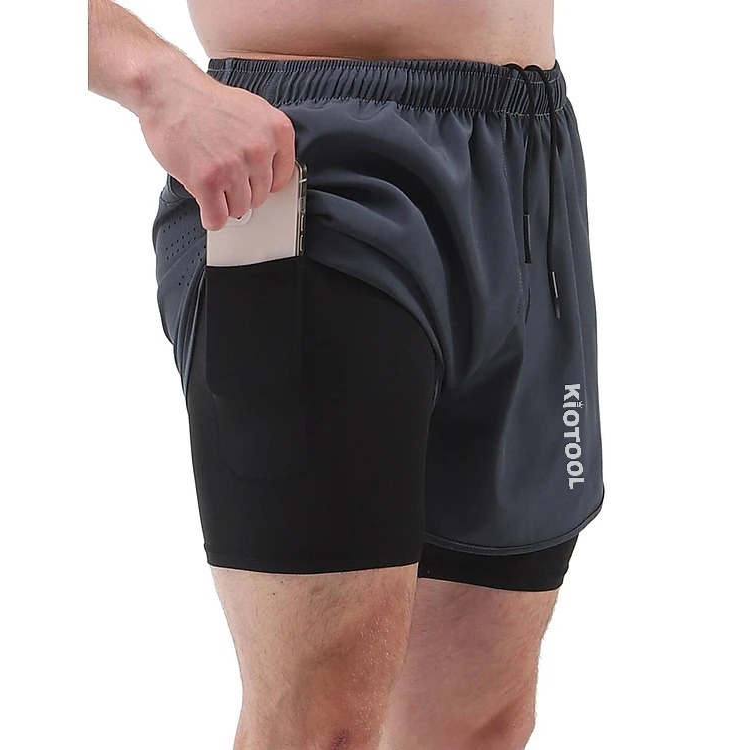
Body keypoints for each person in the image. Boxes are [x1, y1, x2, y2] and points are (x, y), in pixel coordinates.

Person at [88, 1, 604, 747]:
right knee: (318, 724)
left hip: (525, 169)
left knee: (481, 724)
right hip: (306, 171)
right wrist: (156, 81)